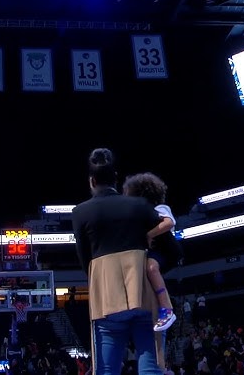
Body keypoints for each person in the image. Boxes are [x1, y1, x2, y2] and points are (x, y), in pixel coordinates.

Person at [71, 147, 164, 375]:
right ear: (116, 177)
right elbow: (170, 248)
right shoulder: (140, 205)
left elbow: (86, 262)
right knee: (150, 366)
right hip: (143, 294)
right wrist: (148, 267)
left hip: (107, 300)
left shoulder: (80, 213)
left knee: (107, 371)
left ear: (91, 180)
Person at [122, 172, 184, 332]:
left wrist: (149, 234)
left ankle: (167, 310)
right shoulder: (136, 215)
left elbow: (169, 223)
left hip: (167, 250)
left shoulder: (159, 208)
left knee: (151, 268)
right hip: (152, 251)